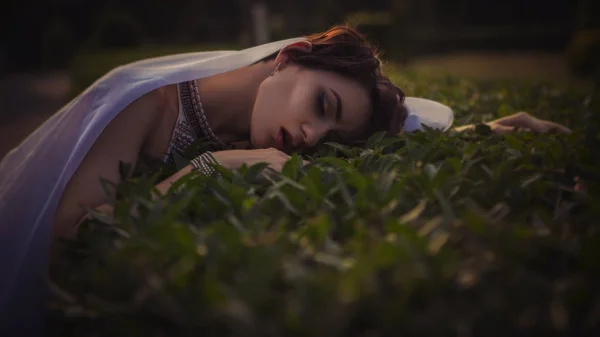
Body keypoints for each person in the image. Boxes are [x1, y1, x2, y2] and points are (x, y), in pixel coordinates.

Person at [0, 25, 570, 335]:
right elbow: (66, 242)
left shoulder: (265, 134)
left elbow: (389, 146)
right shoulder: (146, 103)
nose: (311, 135)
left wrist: (488, 132)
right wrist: (204, 171)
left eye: (331, 133)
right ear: (289, 57)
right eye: (321, 103)